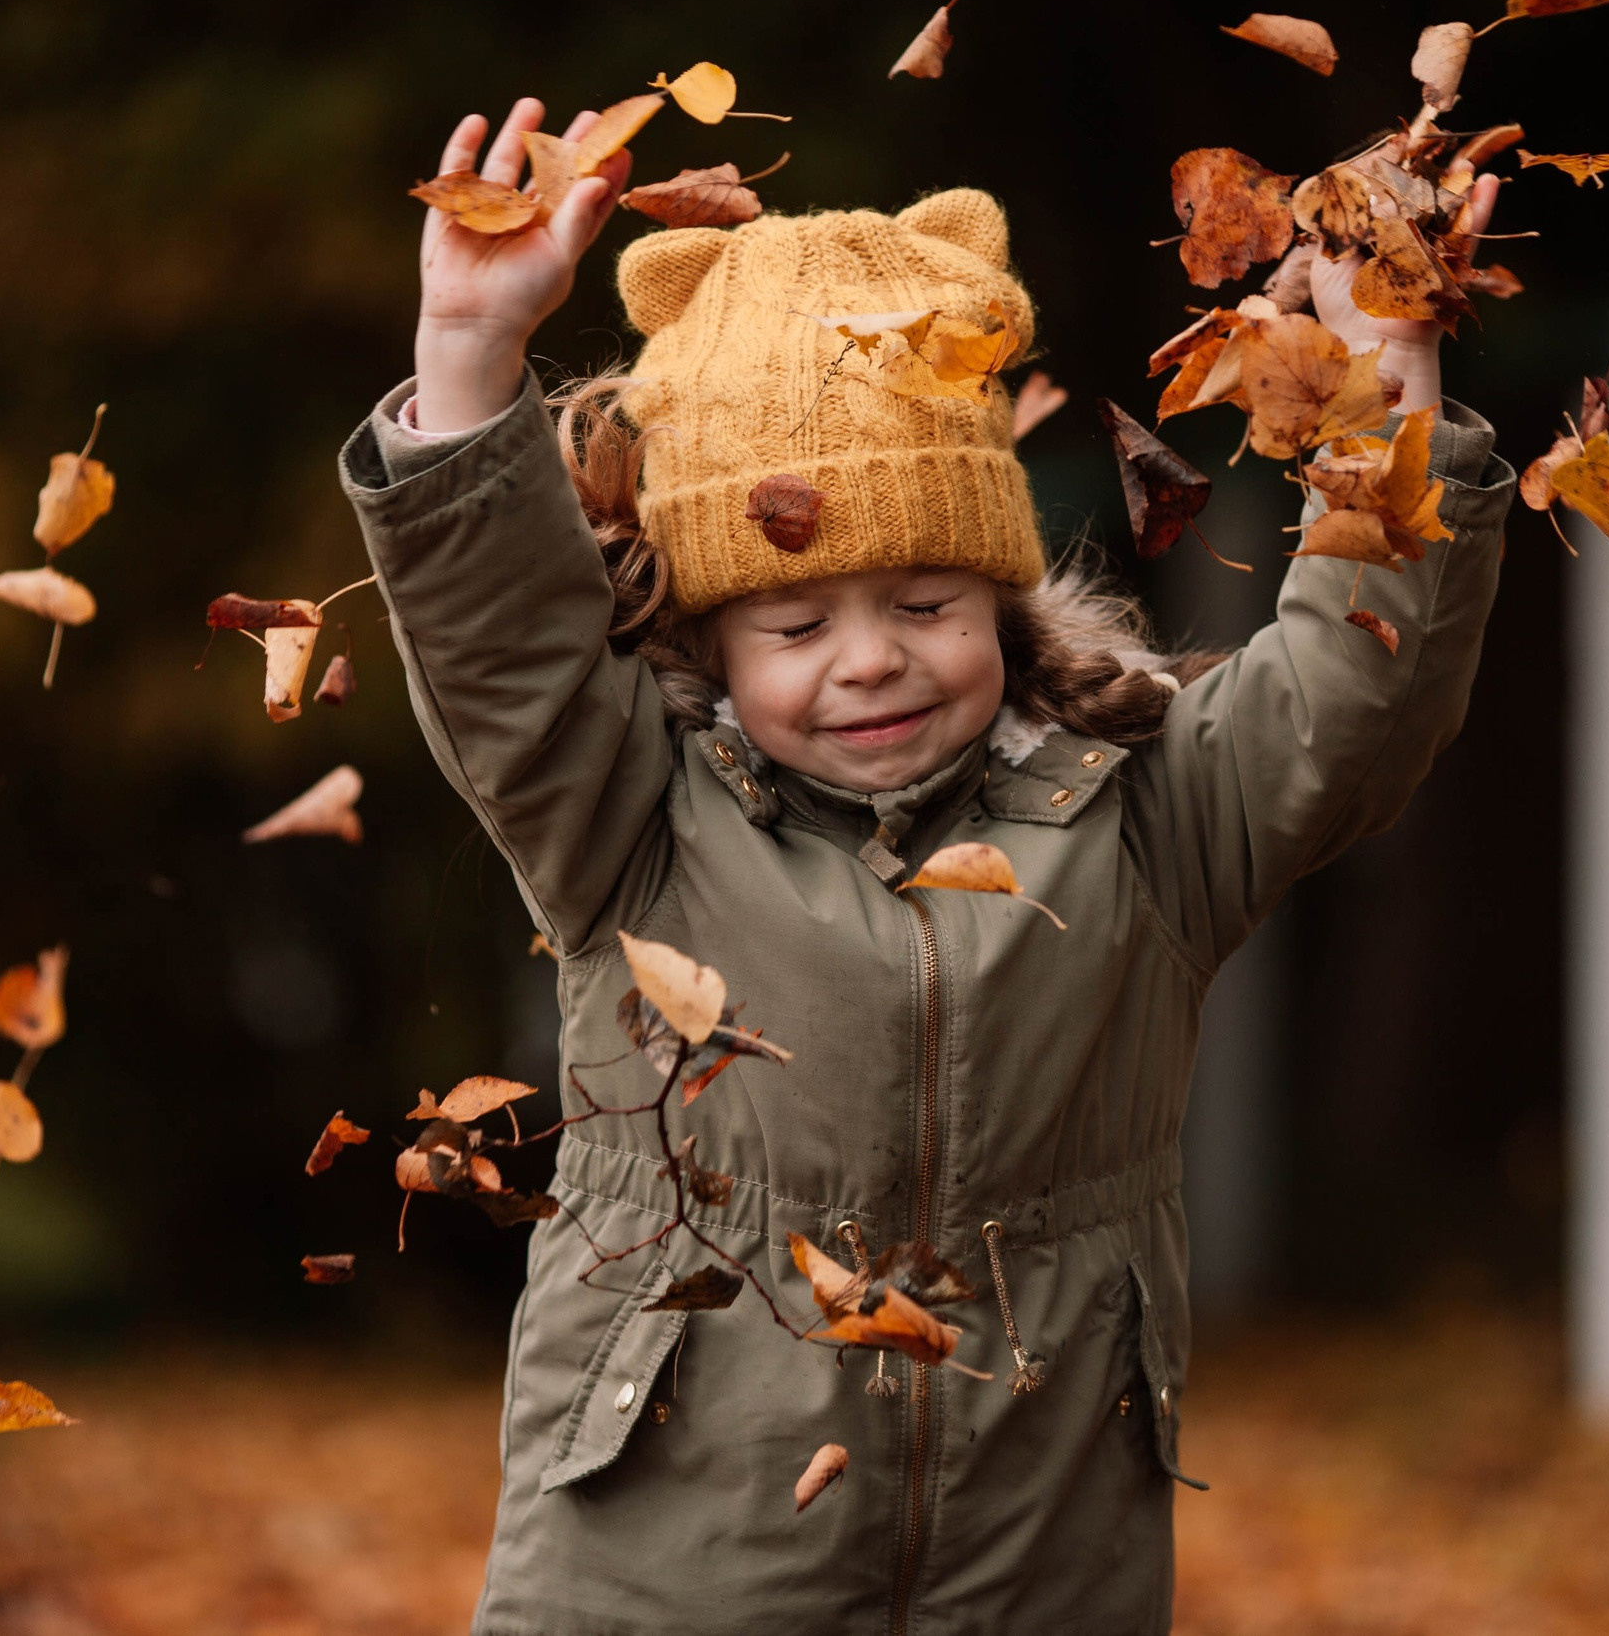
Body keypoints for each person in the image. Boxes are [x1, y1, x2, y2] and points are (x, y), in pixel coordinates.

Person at [340, 96, 1514, 1636]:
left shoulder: (1141, 812)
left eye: (926, 603)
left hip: (1035, 1559)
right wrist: (468, 354)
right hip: (668, 1564)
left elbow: (1349, 709)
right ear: (710, 639)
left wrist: (1384, 392)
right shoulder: (627, 818)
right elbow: (501, 650)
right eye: (796, 623)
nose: (870, 661)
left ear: (1002, 602)